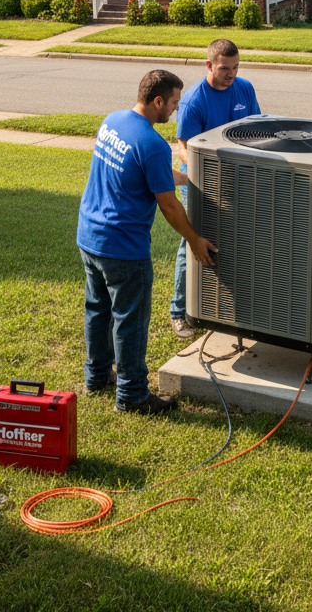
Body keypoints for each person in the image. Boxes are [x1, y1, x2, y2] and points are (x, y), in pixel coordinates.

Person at [77, 69, 217, 415]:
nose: (176, 110)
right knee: (130, 320)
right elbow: (169, 205)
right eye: (173, 103)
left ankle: (96, 377)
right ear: (158, 101)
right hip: (123, 247)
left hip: (90, 236)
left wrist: (188, 177)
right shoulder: (153, 143)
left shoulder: (114, 121)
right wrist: (195, 240)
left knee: (98, 310)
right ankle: (133, 396)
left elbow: (143, 171)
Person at [170, 38, 261, 339]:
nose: (231, 74)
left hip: (240, 181)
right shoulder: (195, 100)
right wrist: (209, 169)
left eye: (235, 67)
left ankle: (228, 305)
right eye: (224, 69)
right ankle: (179, 312)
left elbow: (256, 130)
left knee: (237, 240)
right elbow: (184, 150)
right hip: (200, 183)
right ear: (209, 65)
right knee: (192, 244)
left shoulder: (244, 88)